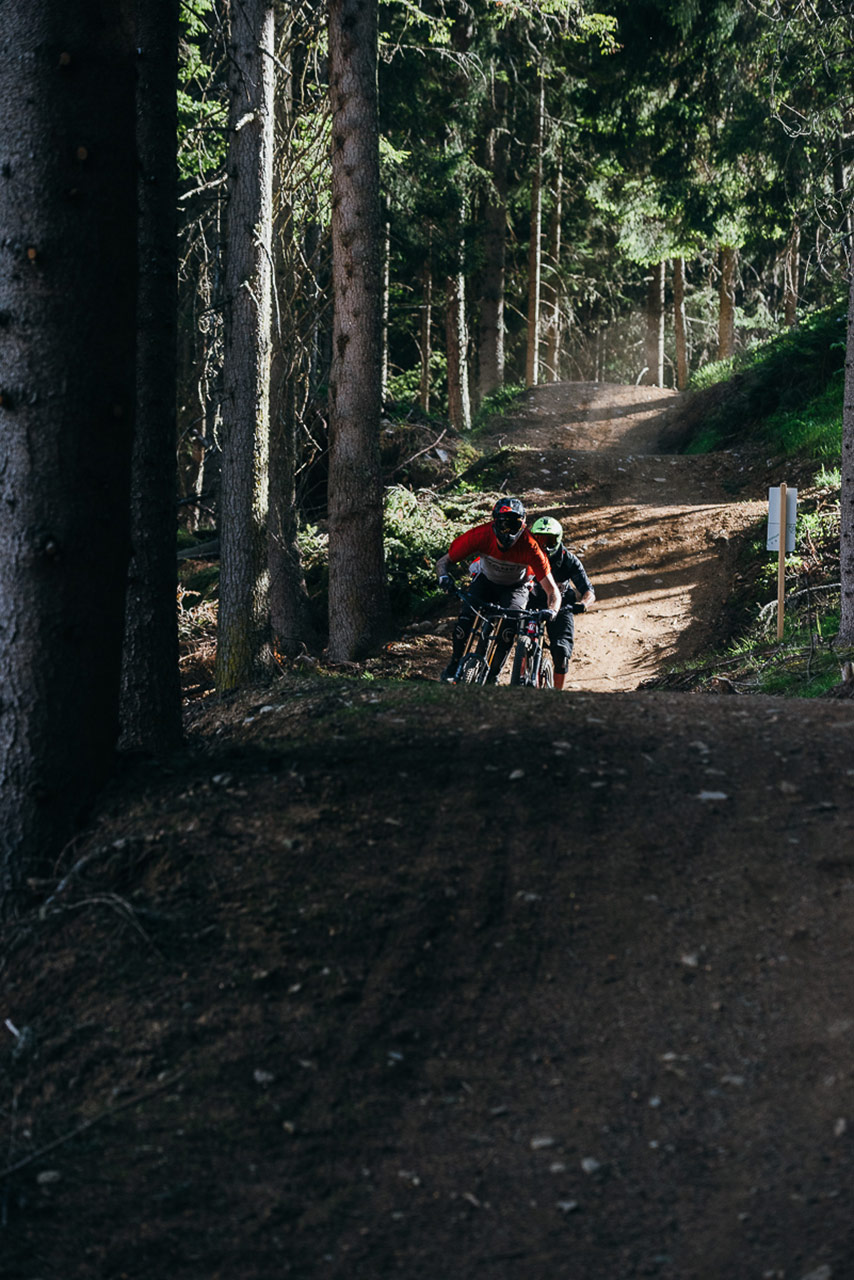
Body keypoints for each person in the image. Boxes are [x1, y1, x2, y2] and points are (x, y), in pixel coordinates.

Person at [435, 497, 561, 683]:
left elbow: (553, 591)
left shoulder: (531, 547)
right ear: (494, 522)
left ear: (523, 524)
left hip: (515, 588)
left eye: (514, 525)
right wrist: (444, 577)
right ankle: (454, 664)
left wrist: (552, 611)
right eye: (503, 525)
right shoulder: (480, 535)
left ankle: (493, 675)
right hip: (486, 582)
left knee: (508, 630)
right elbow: (443, 562)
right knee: (464, 623)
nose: (507, 531)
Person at [528, 515, 595, 690]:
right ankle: (520, 680)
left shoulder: (569, 560)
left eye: (549, 541)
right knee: (522, 641)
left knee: (561, 651)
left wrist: (583, 604)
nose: (544, 545)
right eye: (539, 540)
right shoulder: (526, 554)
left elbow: (588, 589)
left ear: (558, 540)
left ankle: (557, 694)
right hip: (531, 604)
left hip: (561, 607)